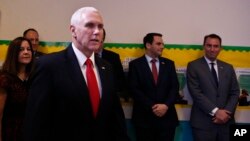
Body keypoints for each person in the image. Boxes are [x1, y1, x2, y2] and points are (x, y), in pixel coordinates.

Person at [23, 7, 129, 141]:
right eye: (89, 25)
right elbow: (35, 123)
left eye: (100, 27)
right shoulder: (49, 65)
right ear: (73, 30)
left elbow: (115, 117)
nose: (97, 32)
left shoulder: (106, 67)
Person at [186, 33, 240, 141]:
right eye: (209, 45)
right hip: (203, 124)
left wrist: (226, 113)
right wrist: (216, 111)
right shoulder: (193, 66)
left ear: (220, 48)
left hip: (226, 123)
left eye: (216, 46)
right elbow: (196, 93)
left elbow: (235, 92)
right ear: (204, 46)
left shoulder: (228, 68)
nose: (212, 49)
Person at [128, 33, 179, 141]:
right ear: (148, 45)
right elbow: (134, 89)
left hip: (167, 119)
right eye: (159, 43)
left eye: (163, 44)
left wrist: (165, 105)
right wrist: (153, 106)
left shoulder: (169, 64)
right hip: (144, 120)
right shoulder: (135, 65)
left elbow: (174, 88)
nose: (162, 47)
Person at [0, 37, 34, 141]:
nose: (26, 52)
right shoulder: (5, 79)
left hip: (30, 132)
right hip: (11, 133)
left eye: (29, 49)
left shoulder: (34, 77)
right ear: (13, 53)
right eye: (21, 49)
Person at [95, 29, 128, 100]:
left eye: (99, 40)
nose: (96, 43)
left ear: (103, 40)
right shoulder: (83, 57)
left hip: (109, 98)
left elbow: (120, 80)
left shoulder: (113, 57)